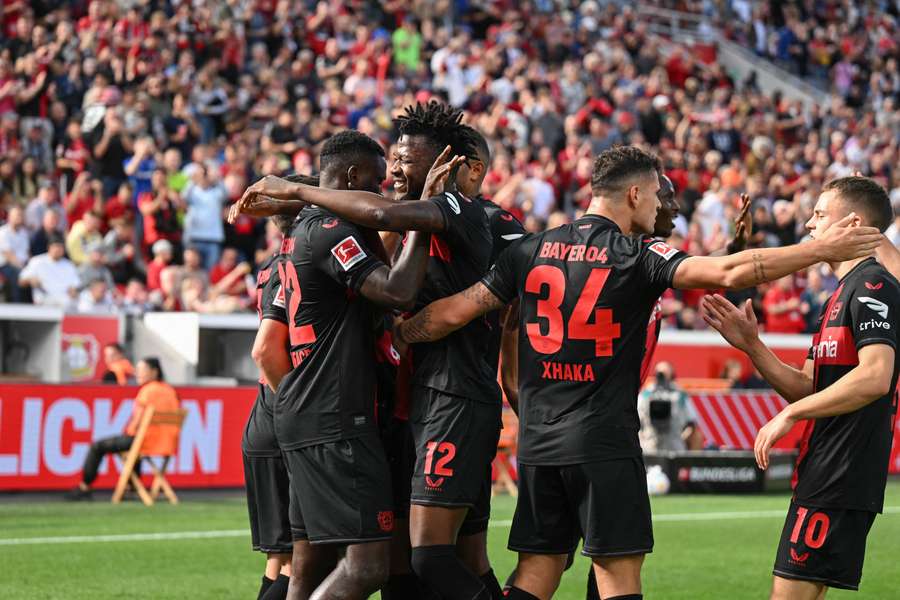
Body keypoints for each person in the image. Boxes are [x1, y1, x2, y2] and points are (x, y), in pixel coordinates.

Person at [391, 146, 882, 600]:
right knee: (616, 576)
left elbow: (455, 312)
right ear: (634, 194)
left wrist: (402, 333)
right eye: (656, 194)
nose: (660, 207)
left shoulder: (529, 249)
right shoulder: (636, 253)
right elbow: (730, 273)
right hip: (602, 443)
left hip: (539, 447)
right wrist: (820, 250)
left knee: (536, 572)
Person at [237, 103, 499, 600]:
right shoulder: (336, 229)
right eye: (389, 166)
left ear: (450, 165)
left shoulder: (449, 206)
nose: (395, 173)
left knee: (393, 558)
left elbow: (381, 216)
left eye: (405, 162)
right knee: (377, 562)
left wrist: (294, 194)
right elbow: (385, 242)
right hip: (365, 411)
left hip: (441, 398)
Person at [701, 176, 900, 600]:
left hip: (842, 470)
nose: (809, 224)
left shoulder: (873, 286)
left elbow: (876, 376)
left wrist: (790, 415)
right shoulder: (839, 295)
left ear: (852, 224)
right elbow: (808, 386)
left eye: (819, 214)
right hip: (826, 467)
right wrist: (753, 347)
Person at [243, 191, 312, 600]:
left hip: (265, 416)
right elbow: (265, 350)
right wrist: (296, 403)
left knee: (279, 557)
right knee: (300, 559)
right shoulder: (293, 267)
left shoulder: (272, 267)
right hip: (280, 415)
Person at [66, 358, 179, 501]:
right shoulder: (170, 391)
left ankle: (85, 486)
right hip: (166, 444)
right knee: (132, 449)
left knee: (98, 446)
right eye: (137, 370)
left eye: (142, 370)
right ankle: (131, 487)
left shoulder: (147, 391)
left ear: (154, 372)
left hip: (145, 441)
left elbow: (137, 423)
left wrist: (129, 432)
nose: (138, 374)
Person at [637, 362, 700, 453]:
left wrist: (680, 438)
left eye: (665, 373)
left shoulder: (680, 396)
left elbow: (692, 424)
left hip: (674, 449)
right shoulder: (645, 395)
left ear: (672, 375)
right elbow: (636, 421)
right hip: (650, 448)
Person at [18, 232, 80, 307]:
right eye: (55, 247)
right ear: (49, 247)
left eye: (60, 247)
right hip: (44, 298)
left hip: (64, 299)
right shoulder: (37, 261)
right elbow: (21, 281)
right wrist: (31, 280)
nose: (58, 250)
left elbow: (75, 285)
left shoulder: (69, 265)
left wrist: (73, 291)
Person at [0, 205, 29, 301]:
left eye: (21, 215)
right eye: (17, 215)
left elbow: (27, 253)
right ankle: (17, 304)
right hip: (5, 265)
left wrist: (31, 267)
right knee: (17, 274)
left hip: (22, 265)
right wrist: (23, 269)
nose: (19, 217)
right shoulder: (3, 232)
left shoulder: (24, 233)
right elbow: (8, 255)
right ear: (9, 217)